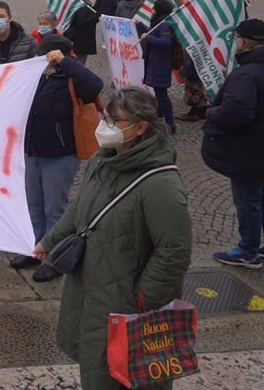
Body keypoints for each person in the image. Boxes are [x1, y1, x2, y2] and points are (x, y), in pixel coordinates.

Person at [34, 86, 191, 390]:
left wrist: (144, 297)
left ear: (141, 127)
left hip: (128, 302)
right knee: (97, 367)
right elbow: (80, 207)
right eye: (104, 117)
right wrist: (50, 241)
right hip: (93, 290)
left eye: (113, 120)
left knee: (132, 376)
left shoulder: (161, 184)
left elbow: (175, 250)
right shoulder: (102, 160)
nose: (104, 126)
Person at [11, 35, 104, 282]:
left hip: (60, 154)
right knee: (34, 206)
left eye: (47, 55)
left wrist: (68, 63)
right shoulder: (37, 76)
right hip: (32, 152)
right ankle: (35, 248)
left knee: (55, 208)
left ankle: (54, 257)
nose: (41, 59)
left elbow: (96, 86)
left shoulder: (72, 77)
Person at [200, 19, 264, 269]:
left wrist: (212, 112)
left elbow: (236, 112)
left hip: (248, 147)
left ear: (243, 41)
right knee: (262, 193)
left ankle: (248, 250)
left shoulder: (248, 73)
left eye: (237, 38)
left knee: (248, 199)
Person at [141, 0, 178, 133]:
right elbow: (152, 33)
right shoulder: (160, 22)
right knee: (159, 92)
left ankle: (170, 123)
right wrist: (141, 26)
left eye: (154, 8)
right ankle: (158, 117)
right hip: (157, 62)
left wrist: (148, 38)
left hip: (161, 64)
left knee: (162, 94)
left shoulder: (164, 25)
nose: (152, 10)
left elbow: (164, 42)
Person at [64, 0, 99, 67]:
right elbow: (83, 22)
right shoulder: (83, 8)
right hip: (82, 39)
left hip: (83, 39)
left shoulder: (85, 7)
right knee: (80, 60)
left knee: (80, 58)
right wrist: (95, 16)